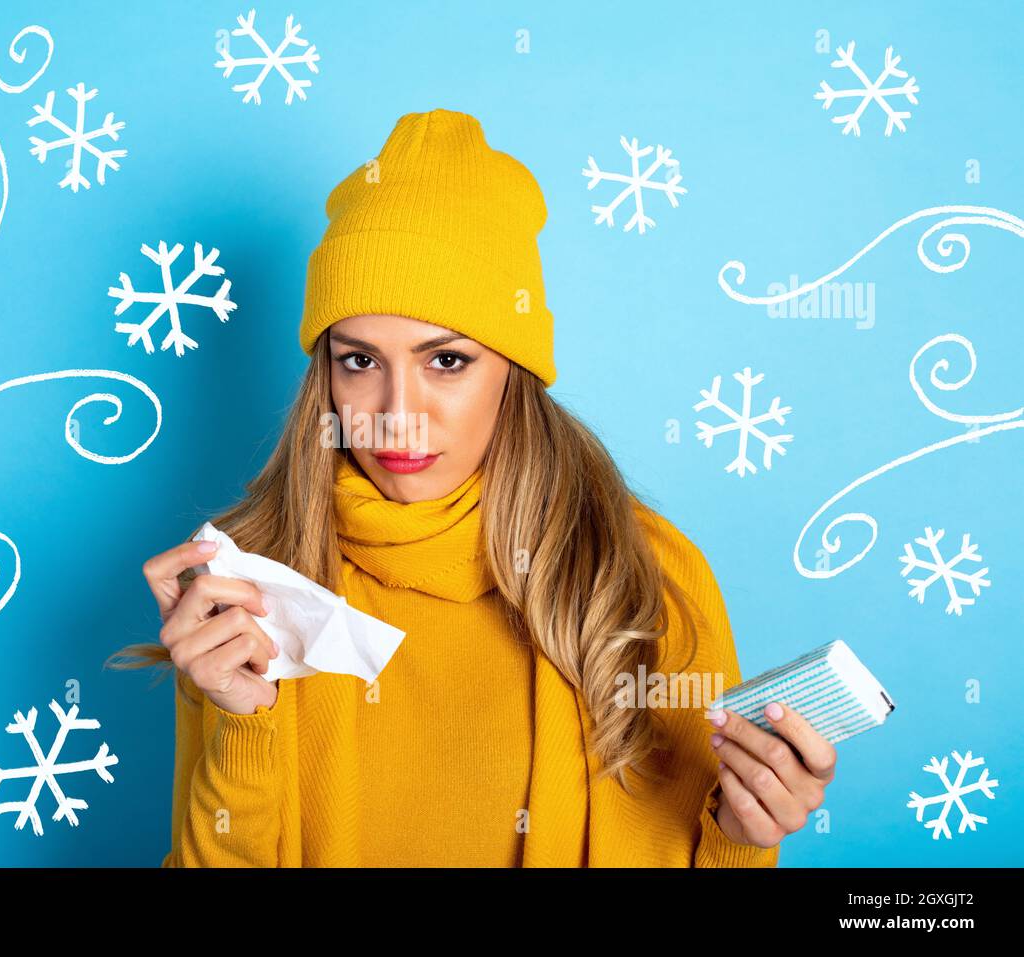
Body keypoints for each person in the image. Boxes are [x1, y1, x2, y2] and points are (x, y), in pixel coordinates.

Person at [109, 108, 835, 867]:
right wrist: (244, 724)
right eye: (359, 360)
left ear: (513, 372)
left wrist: (742, 836)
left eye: (446, 361)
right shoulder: (250, 586)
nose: (396, 415)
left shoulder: (643, 574)